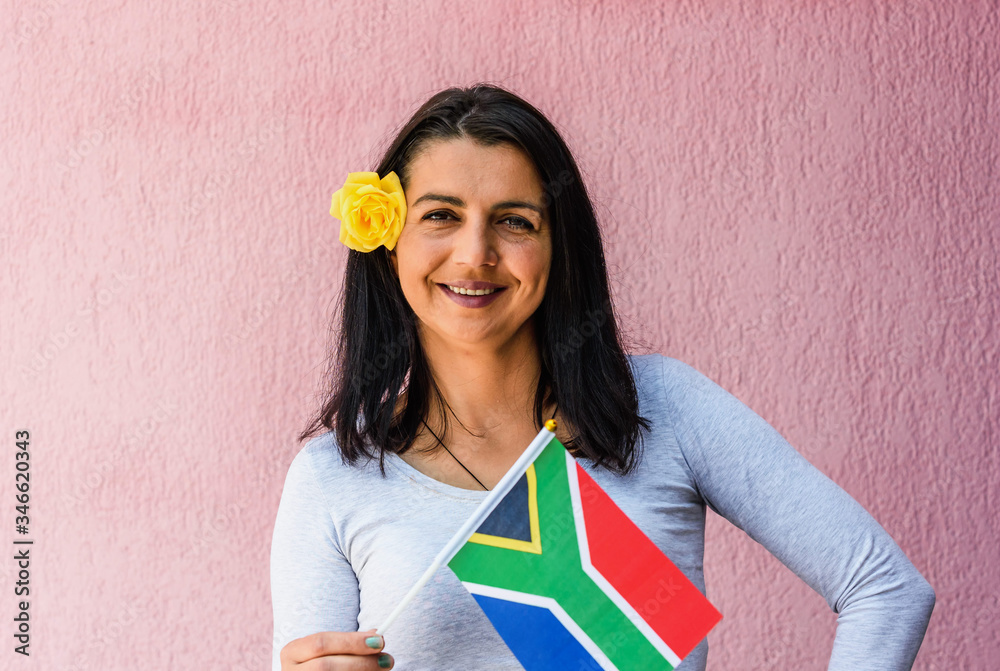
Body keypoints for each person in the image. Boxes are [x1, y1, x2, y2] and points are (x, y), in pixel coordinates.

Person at [270, 84, 935, 670]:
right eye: (440, 215)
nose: (476, 253)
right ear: (388, 245)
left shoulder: (666, 408)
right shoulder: (334, 476)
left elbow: (884, 588)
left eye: (514, 221)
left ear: (561, 247)